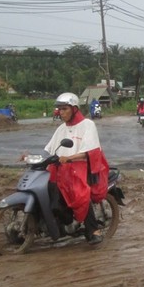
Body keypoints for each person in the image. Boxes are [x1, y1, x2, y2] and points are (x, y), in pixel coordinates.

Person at [44, 92, 108, 245]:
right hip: (64, 168)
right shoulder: (61, 129)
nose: (61, 113)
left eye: (64, 109)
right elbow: (49, 149)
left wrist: (69, 158)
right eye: (59, 109)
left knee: (79, 193)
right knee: (49, 187)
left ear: (74, 109)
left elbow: (90, 152)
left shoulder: (87, 125)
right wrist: (31, 157)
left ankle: (94, 230)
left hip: (84, 167)